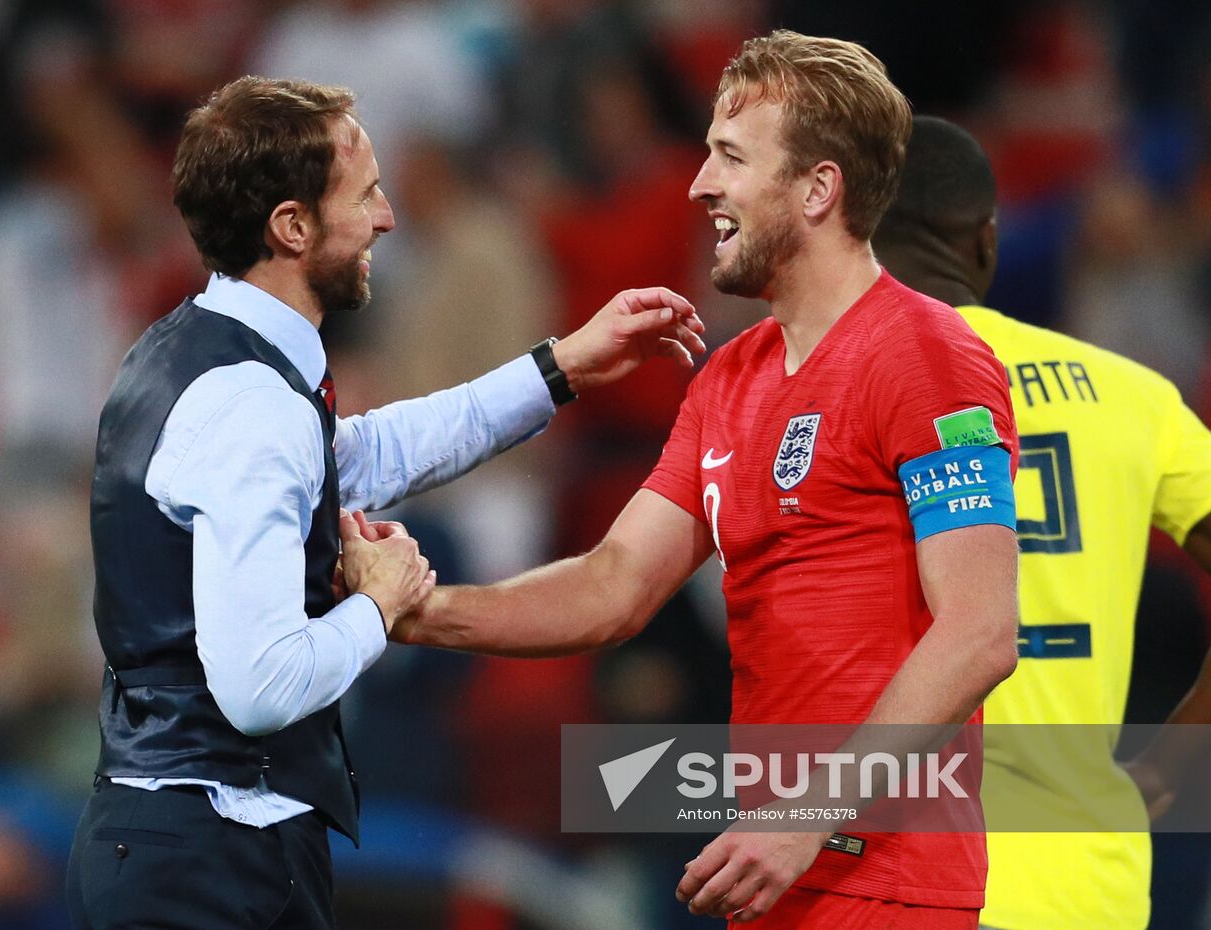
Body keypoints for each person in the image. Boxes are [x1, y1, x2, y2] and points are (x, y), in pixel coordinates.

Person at [391, 31, 1020, 929]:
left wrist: (802, 819)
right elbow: (613, 586)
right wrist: (414, 609)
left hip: (886, 888)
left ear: (818, 189)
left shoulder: (925, 354)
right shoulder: (729, 378)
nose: (700, 186)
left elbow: (981, 632)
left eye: (730, 158)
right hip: (764, 878)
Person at [63, 76, 705, 930]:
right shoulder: (252, 404)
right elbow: (262, 684)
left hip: (177, 840)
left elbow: (366, 454)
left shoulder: (190, 353)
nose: (388, 218)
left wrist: (562, 369)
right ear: (292, 227)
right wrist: (378, 605)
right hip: (215, 858)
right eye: (364, 195)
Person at [872, 115, 1211, 930]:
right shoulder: (1132, 395)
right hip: (1084, 885)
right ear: (985, 242)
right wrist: (1174, 761)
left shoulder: (816, 401)